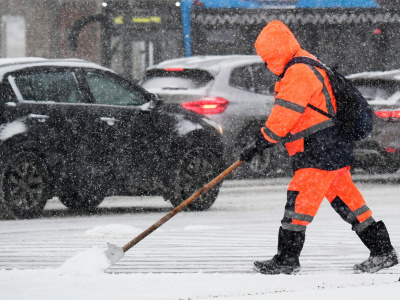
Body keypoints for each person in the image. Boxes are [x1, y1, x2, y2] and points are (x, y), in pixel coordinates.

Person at [240, 20, 398, 275]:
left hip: (319, 150)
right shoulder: (305, 63)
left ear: (274, 53)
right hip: (331, 147)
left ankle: (286, 260)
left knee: (299, 201)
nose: (266, 64)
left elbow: (284, 115)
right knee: (349, 202)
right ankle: (383, 252)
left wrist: (260, 142)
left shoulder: (298, 72)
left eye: (266, 58)